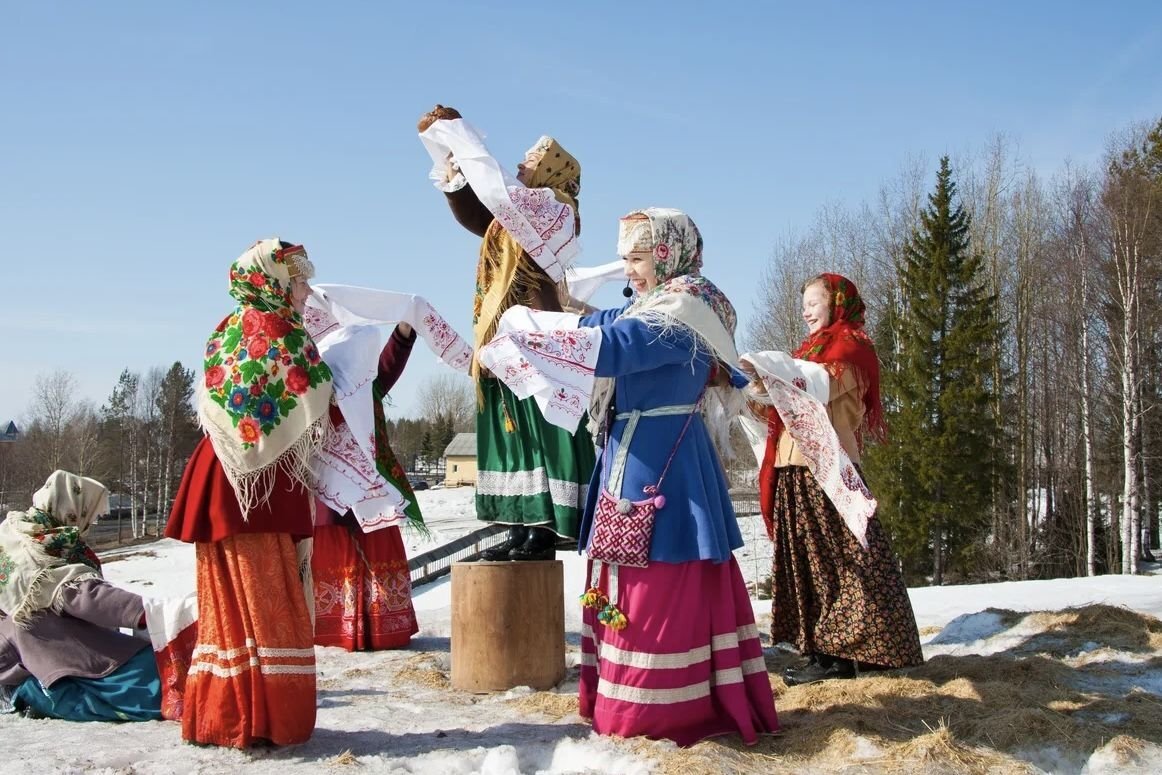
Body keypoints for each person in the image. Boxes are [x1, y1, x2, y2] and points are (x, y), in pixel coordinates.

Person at [479, 208, 778, 746]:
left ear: (668, 254)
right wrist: (551, 310)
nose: (629, 270)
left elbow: (615, 347)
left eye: (637, 258)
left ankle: (659, 715)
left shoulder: (685, 310)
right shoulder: (657, 304)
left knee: (656, 587)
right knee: (625, 584)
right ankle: (623, 700)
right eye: (624, 259)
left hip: (663, 468)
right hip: (632, 458)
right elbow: (604, 325)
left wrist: (530, 334)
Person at [165, 239, 333, 747]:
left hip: (218, 473)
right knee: (270, 603)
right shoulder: (284, 332)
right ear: (276, 283)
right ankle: (269, 721)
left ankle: (222, 715)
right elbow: (318, 398)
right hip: (261, 487)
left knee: (226, 605)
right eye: (299, 281)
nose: (306, 293)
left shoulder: (227, 327)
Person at [418, 105, 595, 561]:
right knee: (509, 429)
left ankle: (548, 526)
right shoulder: (516, 209)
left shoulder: (556, 209)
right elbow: (480, 215)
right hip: (501, 335)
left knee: (540, 426)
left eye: (532, 159)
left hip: (536, 335)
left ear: (555, 169)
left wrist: (462, 139)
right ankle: (518, 520)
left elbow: (502, 195)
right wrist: (452, 166)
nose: (521, 165)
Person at [754, 273, 923, 685]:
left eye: (814, 302)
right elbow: (783, 406)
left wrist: (774, 375)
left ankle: (851, 651)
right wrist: (752, 388)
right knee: (811, 562)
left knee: (846, 560)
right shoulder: (809, 351)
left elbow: (819, 389)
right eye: (805, 303)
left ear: (837, 304)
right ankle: (822, 648)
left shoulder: (851, 348)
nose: (806, 310)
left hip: (831, 470)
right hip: (795, 470)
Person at [0, 470, 162, 722]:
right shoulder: (41, 544)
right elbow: (81, 596)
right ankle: (34, 693)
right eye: (91, 514)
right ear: (73, 508)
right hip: (31, 653)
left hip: (17, 652)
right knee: (150, 677)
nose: (93, 522)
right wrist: (147, 612)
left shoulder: (14, 532)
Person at [311, 323, 422, 650]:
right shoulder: (315, 393)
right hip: (329, 497)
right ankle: (336, 630)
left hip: (370, 496)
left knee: (373, 553)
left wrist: (403, 331)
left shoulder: (367, 390)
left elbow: (389, 363)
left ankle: (380, 628)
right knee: (337, 558)